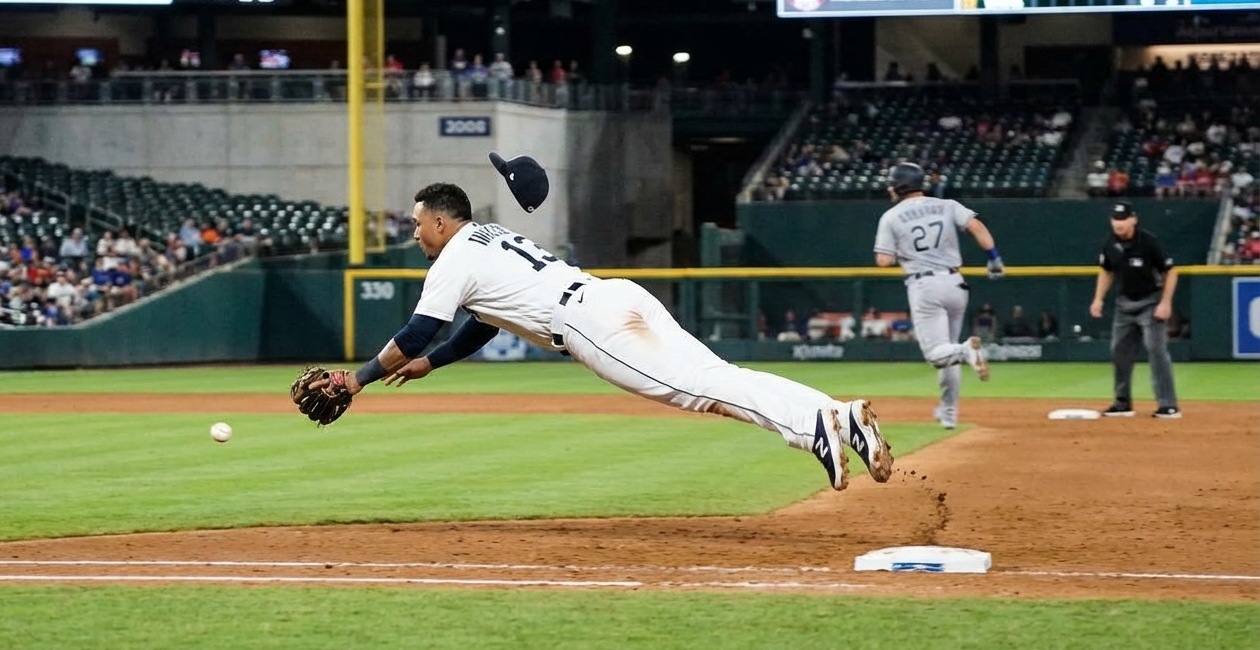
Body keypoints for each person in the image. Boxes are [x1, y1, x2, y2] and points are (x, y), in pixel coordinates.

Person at [298, 175, 893, 492]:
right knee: (718, 376)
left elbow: (419, 330)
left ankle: (812, 430)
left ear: (439, 220)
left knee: (701, 390)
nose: (414, 234)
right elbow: (480, 323)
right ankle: (841, 419)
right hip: (612, 294)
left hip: (589, 325)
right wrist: (433, 364)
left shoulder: (452, 257)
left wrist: (357, 380)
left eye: (417, 224)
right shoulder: (490, 237)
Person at [873, 162, 1003, 430]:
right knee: (947, 350)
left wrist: (903, 251)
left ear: (900, 186)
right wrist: (994, 258)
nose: (889, 189)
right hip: (955, 283)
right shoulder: (947, 205)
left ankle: (967, 350)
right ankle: (949, 413)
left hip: (925, 286)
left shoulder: (891, 216)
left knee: (936, 354)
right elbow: (976, 226)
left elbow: (883, 261)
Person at [1090, 201, 1181, 419]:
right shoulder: (1110, 243)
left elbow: (1171, 271)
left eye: (1123, 219)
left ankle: (1168, 405)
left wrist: (1165, 303)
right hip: (1124, 304)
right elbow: (1106, 271)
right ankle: (1122, 403)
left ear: (1133, 219)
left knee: (1156, 349)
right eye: (1115, 219)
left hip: (1150, 302)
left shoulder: (1148, 242)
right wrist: (1098, 299)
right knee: (1119, 351)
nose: (1118, 223)